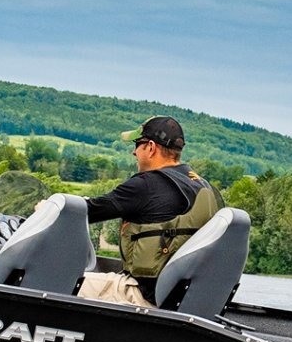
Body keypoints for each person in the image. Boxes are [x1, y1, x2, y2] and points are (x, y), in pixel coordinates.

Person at [78, 115, 223, 307]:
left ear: (151, 147)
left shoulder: (145, 185)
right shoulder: (203, 186)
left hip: (143, 296)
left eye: (137, 144)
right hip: (181, 300)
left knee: (65, 281)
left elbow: (85, 212)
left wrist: (52, 208)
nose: (134, 152)